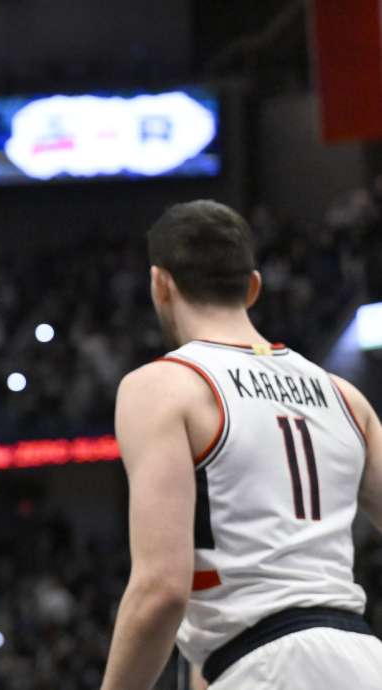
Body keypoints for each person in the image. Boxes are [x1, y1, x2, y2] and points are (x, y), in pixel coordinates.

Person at [101, 201, 382, 690]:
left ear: (159, 285)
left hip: (265, 667)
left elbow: (162, 590)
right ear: (252, 286)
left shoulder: (165, 386)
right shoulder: (345, 396)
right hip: (364, 659)